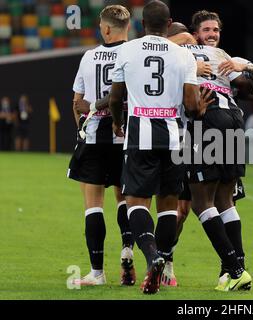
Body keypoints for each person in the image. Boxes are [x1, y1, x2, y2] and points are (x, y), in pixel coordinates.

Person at [164, 17, 253, 290]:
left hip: (206, 122)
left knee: (201, 204)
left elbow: (153, 49)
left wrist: (244, 66)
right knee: (226, 201)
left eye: (216, 29)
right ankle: (234, 270)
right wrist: (242, 72)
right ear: (195, 34)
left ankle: (236, 269)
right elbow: (252, 91)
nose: (212, 34)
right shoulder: (216, 56)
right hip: (233, 121)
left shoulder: (186, 55)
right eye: (206, 30)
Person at [108, 0, 204, 294]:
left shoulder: (126, 50)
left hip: (140, 134)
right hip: (173, 136)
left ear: (141, 24)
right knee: (168, 207)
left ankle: (152, 259)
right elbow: (190, 104)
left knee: (135, 202)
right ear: (170, 22)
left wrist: (116, 122)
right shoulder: (184, 56)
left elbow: (115, 97)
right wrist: (198, 108)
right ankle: (162, 257)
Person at [68, 5, 135, 286]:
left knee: (93, 206)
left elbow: (76, 102)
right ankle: (128, 248)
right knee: (126, 200)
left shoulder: (88, 56)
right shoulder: (135, 54)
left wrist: (82, 128)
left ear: (105, 28)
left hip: (95, 136)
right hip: (127, 138)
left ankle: (96, 272)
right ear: (127, 28)